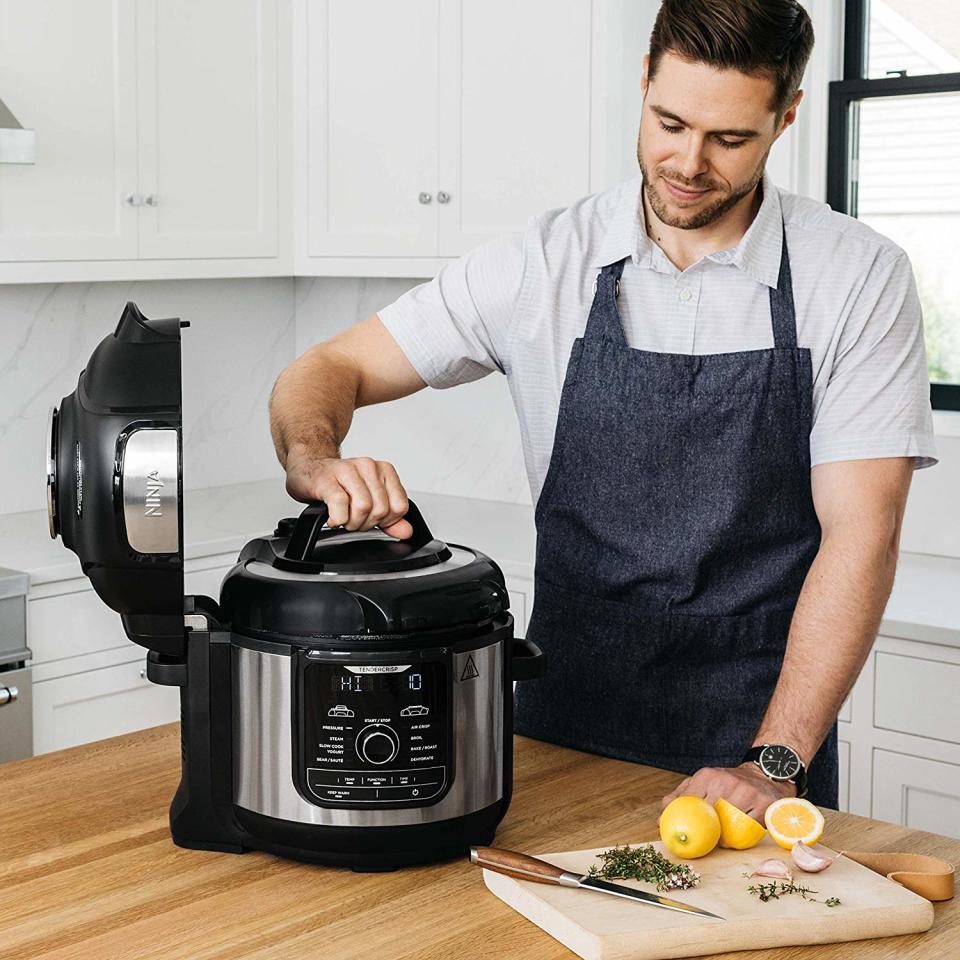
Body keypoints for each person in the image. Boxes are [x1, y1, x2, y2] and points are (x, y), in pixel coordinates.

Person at [269, 0, 937, 821]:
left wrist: (772, 762)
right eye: (669, 122)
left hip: (756, 748)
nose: (689, 162)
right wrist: (313, 459)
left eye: (730, 139)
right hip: (556, 724)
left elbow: (862, 535)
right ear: (645, 83)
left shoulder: (856, 277)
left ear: (786, 117)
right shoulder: (543, 263)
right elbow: (328, 366)